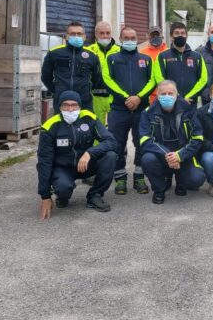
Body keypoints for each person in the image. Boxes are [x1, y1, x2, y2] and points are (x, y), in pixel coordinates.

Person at [36, 90, 117, 218]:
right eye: (66, 105)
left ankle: (95, 195)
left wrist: (89, 153)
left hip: (85, 164)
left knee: (110, 156)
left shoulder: (89, 118)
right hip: (63, 168)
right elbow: (44, 162)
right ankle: (62, 195)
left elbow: (111, 141)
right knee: (63, 188)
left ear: (80, 106)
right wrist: (45, 196)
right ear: (59, 107)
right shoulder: (49, 127)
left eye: (74, 105)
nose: (70, 109)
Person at [103, 26, 156, 195]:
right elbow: (107, 80)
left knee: (141, 143)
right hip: (119, 109)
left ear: (137, 39)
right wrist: (126, 97)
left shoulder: (146, 59)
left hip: (141, 109)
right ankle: (120, 179)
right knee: (117, 144)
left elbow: (153, 80)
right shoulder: (111, 58)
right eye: (126, 37)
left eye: (133, 37)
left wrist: (139, 97)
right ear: (120, 38)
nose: (130, 41)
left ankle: (139, 177)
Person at [139, 80, 206, 204]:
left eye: (170, 93)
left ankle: (181, 182)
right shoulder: (147, 113)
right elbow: (145, 140)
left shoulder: (189, 111)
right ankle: (159, 190)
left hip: (184, 155)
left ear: (177, 95)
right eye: (163, 94)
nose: (167, 96)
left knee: (197, 178)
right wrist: (169, 155)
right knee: (147, 159)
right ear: (157, 96)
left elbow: (197, 139)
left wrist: (179, 156)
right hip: (161, 155)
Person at [41, 21, 102, 113]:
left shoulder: (92, 56)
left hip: (84, 101)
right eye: (73, 34)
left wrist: (87, 89)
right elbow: (46, 76)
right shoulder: (54, 53)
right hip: (61, 101)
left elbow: (97, 77)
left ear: (84, 37)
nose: (76, 36)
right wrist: (56, 90)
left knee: (87, 126)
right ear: (66, 36)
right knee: (62, 126)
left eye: (79, 34)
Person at [154, 22, 207, 106]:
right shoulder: (162, 56)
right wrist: (177, 97)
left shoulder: (197, 56)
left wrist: (190, 96)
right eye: (177, 33)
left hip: (190, 102)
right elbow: (159, 79)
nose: (180, 35)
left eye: (182, 33)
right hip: (170, 102)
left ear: (187, 36)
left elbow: (203, 79)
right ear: (171, 36)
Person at [86, 20, 120, 125]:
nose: (105, 36)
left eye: (108, 33)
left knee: (115, 129)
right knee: (96, 128)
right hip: (95, 97)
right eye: (101, 33)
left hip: (114, 97)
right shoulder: (88, 51)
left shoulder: (120, 51)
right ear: (96, 35)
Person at [140, 25, 168, 104]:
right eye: (152, 35)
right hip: (148, 96)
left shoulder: (168, 52)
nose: (155, 37)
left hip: (166, 95)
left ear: (162, 36)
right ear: (148, 37)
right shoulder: (142, 53)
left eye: (157, 35)